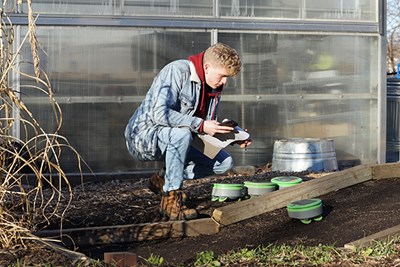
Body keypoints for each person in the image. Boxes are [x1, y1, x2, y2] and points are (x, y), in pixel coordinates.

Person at [124, 42, 252, 221]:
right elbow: (160, 114)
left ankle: (162, 180)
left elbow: (203, 127)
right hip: (143, 136)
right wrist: (200, 125)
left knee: (224, 162)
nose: (225, 81)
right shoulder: (177, 71)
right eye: (223, 76)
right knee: (182, 134)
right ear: (207, 67)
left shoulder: (213, 87)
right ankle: (171, 200)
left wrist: (233, 136)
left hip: (177, 138)